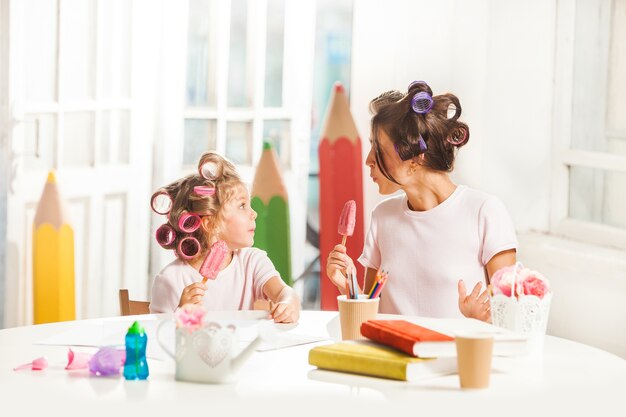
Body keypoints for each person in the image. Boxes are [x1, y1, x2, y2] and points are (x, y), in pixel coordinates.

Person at [326, 80, 517, 321]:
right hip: (392, 357)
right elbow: (371, 317)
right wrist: (348, 287)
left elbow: (512, 316)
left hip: (453, 357)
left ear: (415, 155)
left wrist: (481, 320)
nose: (368, 160)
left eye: (378, 148)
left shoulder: (484, 212)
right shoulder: (382, 216)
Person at [150, 151, 300, 323]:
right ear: (210, 223)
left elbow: (285, 292)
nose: (254, 214)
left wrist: (287, 304)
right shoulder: (171, 279)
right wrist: (181, 313)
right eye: (242, 205)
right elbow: (159, 338)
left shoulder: (252, 262)